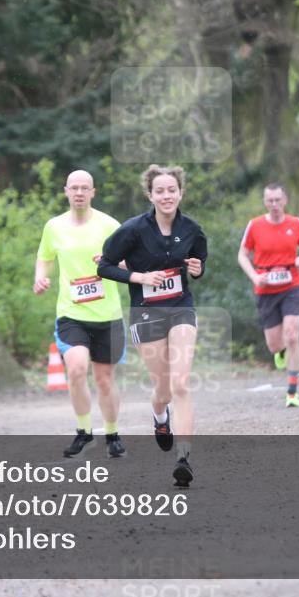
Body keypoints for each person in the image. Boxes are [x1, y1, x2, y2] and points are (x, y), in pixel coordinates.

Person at [98, 165, 207, 487]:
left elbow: (199, 267)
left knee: (182, 384)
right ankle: (160, 417)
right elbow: (104, 267)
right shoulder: (132, 230)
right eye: (159, 191)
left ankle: (184, 457)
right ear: (150, 195)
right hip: (146, 312)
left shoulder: (192, 229)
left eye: (171, 190)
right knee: (163, 391)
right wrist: (139, 277)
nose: (166, 196)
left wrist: (198, 269)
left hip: (180, 308)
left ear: (180, 192)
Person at [34, 170, 127, 459]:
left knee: (104, 379)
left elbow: (129, 265)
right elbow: (45, 257)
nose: (79, 192)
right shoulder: (54, 227)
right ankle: (84, 433)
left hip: (107, 314)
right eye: (74, 187)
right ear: (65, 191)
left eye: (84, 188)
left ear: (93, 192)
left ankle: (112, 434)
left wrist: (110, 261)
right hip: (71, 313)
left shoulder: (110, 225)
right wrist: (41, 278)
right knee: (75, 369)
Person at [237, 183, 299, 408]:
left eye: (278, 200)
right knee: (274, 345)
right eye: (270, 200)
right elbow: (242, 255)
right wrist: (254, 276)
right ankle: (279, 352)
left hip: (292, 285)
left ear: (285, 200)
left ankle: (292, 392)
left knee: (292, 335)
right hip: (265, 288)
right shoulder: (255, 226)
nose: (274, 205)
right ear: (265, 202)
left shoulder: (296, 223)